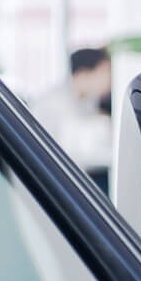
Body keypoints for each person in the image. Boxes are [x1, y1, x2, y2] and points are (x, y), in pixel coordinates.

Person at [30, 46, 115, 191]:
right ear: (83, 74)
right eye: (104, 71)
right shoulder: (55, 103)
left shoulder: (88, 101)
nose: (110, 78)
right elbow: (78, 152)